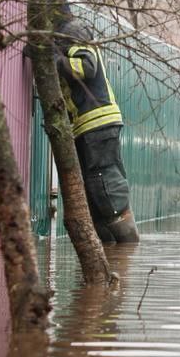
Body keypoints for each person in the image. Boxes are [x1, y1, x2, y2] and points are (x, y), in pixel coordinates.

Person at [54, 15, 139, 244]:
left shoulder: (74, 33)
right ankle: (114, 256)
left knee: (106, 189)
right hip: (88, 127)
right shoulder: (65, 36)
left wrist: (55, 60)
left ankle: (127, 248)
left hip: (97, 123)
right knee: (95, 196)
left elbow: (86, 67)